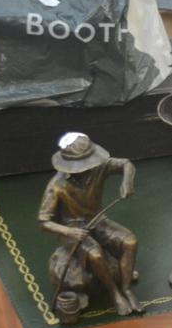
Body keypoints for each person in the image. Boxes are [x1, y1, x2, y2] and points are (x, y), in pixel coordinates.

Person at [37, 132, 142, 318]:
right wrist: (69, 231)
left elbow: (126, 163)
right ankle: (114, 294)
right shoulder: (56, 185)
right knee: (94, 254)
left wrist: (127, 183)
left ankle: (126, 288)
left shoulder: (99, 167)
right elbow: (44, 221)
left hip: (98, 219)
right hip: (72, 229)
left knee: (130, 242)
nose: (86, 168)